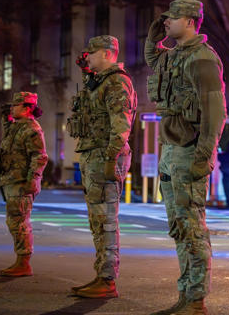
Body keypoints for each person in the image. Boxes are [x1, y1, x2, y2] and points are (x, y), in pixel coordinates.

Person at [146, 0, 227, 315]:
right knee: (178, 224)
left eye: (173, 18)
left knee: (191, 226)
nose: (167, 22)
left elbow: (215, 111)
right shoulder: (174, 56)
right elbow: (153, 57)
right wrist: (154, 37)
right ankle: (187, 293)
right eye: (165, 18)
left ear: (192, 21)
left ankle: (195, 298)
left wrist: (205, 155)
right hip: (170, 150)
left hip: (189, 149)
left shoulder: (202, 59)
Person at [67, 35, 137, 298]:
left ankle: (107, 279)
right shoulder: (99, 82)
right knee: (97, 219)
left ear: (107, 53)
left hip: (105, 157)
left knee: (106, 219)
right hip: (93, 155)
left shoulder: (117, 82)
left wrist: (110, 159)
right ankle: (101, 275)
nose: (87, 57)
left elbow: (121, 127)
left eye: (91, 53)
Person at [0, 91, 48, 277]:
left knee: (19, 222)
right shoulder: (17, 126)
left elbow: (39, 157)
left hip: (21, 181)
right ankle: (21, 260)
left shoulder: (32, 129)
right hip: (11, 179)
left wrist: (33, 180)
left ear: (27, 108)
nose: (12, 108)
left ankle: (23, 262)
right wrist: (5, 117)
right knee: (14, 220)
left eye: (16, 105)